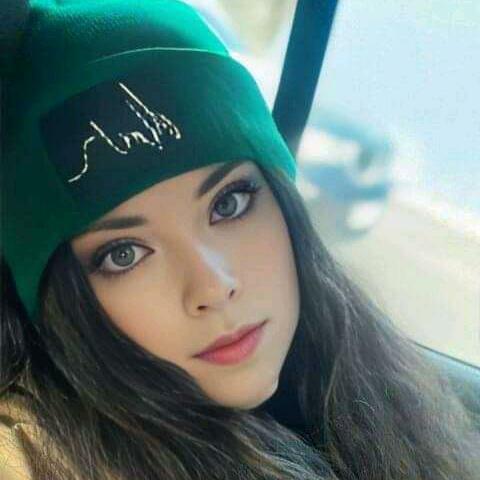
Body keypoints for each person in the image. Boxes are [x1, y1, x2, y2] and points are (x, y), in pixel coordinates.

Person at [1, 1, 479, 479]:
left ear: (282, 201)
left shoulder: (359, 382)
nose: (213, 286)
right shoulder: (33, 456)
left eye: (229, 204)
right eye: (124, 254)